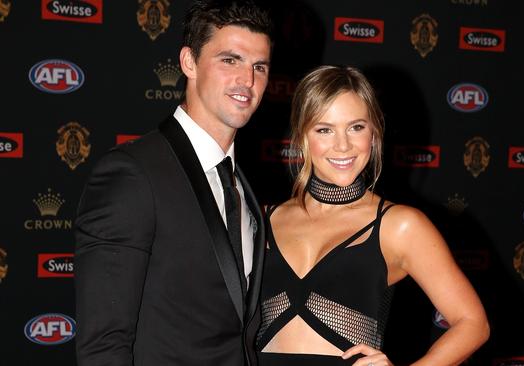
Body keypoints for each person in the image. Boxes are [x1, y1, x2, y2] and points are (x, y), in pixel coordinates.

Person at [74, 1, 272, 365]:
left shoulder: (242, 184)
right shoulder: (133, 174)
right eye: (230, 60)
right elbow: (103, 344)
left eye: (259, 66)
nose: (248, 80)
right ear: (189, 62)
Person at [255, 65, 490, 366]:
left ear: (374, 133)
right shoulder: (261, 219)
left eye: (356, 127)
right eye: (324, 129)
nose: (343, 145)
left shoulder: (400, 225)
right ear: (302, 136)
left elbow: (473, 323)